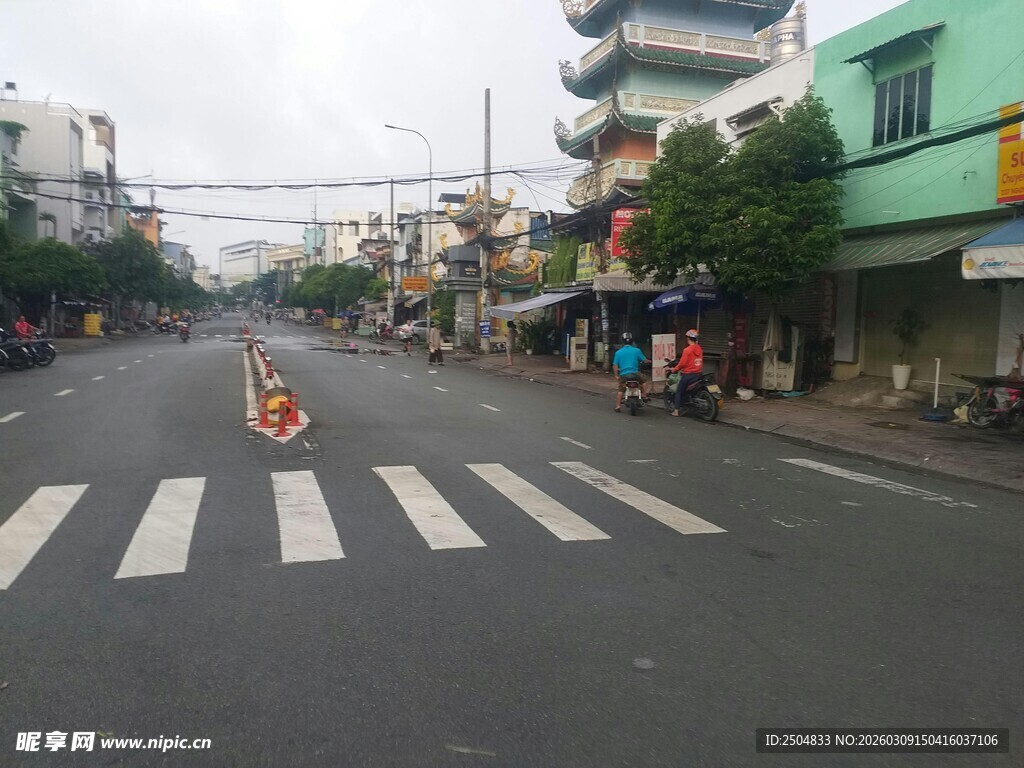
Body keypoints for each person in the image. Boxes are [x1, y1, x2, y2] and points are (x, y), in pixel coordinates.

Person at [669, 329, 704, 417]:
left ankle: (676, 411)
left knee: (679, 391)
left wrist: (674, 369)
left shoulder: (687, 350)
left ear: (688, 338)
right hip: (698, 374)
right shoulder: (699, 348)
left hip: (688, 375)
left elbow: (682, 363)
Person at [612, 332, 649, 413]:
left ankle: (618, 406)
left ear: (622, 341)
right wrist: (650, 361)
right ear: (632, 341)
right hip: (635, 373)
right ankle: (644, 395)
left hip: (624, 375)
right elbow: (644, 360)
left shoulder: (618, 353)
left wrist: (616, 376)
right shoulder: (637, 350)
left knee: (621, 389)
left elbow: (615, 365)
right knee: (645, 380)